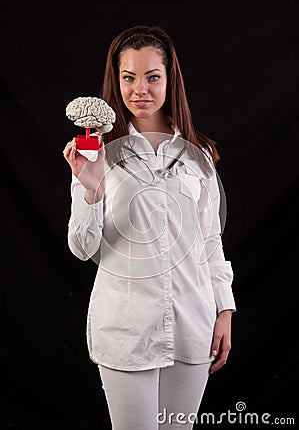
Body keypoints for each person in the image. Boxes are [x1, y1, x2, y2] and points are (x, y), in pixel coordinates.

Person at [63, 25, 236, 430]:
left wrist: (224, 309)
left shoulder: (199, 155)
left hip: (194, 323)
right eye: (128, 77)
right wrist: (91, 190)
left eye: (152, 77)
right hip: (127, 328)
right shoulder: (97, 153)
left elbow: (210, 240)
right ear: (116, 80)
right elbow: (81, 246)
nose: (140, 89)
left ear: (169, 79)